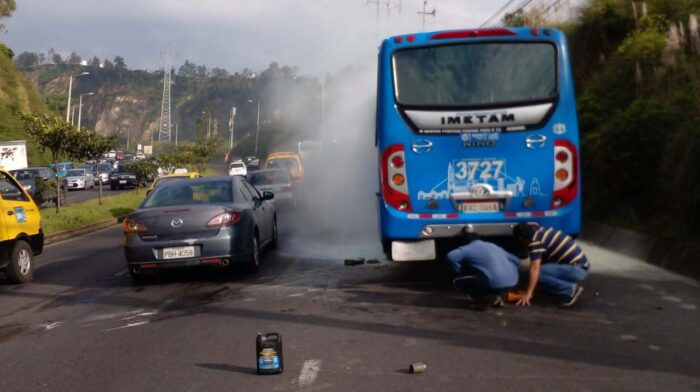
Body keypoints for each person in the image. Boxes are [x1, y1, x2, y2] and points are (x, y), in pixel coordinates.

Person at [512, 223, 589, 307]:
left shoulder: (535, 242)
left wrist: (529, 293)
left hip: (576, 269)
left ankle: (568, 289)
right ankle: (563, 289)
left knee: (538, 274)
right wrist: (528, 290)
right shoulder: (540, 230)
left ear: (521, 238)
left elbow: (535, 269)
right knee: (540, 272)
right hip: (579, 266)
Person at [446, 234, 522, 310]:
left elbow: (450, 256)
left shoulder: (467, 248)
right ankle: (497, 297)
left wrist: (460, 271)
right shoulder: (493, 246)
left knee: (458, 282)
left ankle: (482, 303)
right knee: (487, 277)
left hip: (494, 282)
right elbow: (517, 261)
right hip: (513, 281)